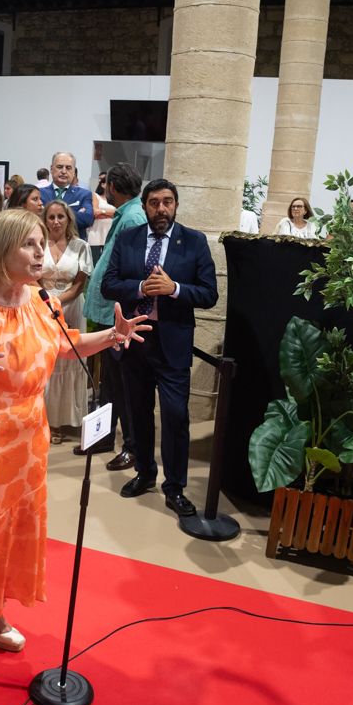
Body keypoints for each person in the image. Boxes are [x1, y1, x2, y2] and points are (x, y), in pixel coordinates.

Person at [0, 210, 149, 683]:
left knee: (10, 529)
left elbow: (64, 345)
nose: (42, 252)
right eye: (30, 244)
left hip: (28, 436)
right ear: (2, 250)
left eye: (42, 242)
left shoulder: (41, 300)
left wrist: (112, 336)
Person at [102, 178, 220, 519]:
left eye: (168, 202)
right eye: (154, 203)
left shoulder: (194, 242)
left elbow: (209, 294)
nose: (161, 209)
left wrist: (174, 288)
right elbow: (109, 284)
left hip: (173, 344)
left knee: (176, 416)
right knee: (137, 413)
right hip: (134, 341)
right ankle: (145, 473)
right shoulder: (128, 239)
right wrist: (140, 286)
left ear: (176, 205)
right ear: (145, 207)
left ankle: (175, 488)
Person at [82, 162, 146, 467]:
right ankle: (104, 436)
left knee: (122, 384)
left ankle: (131, 446)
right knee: (110, 382)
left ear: (114, 188)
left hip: (117, 312)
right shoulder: (127, 213)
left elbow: (130, 268)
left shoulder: (132, 216)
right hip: (111, 310)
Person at [40, 199, 92, 444]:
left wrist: (59, 300)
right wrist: (47, 300)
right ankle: (47, 419)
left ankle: (67, 419)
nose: (56, 221)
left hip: (71, 307)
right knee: (48, 362)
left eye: (61, 216)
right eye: (51, 217)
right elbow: (33, 277)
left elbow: (81, 282)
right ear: (45, 219)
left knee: (70, 359)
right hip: (41, 306)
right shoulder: (38, 244)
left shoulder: (80, 246)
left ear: (69, 219)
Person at [37, 150, 96, 232]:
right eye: (59, 167)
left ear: (73, 172)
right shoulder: (39, 193)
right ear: (51, 169)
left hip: (74, 243)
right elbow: (35, 219)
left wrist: (48, 215)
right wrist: (74, 213)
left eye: (68, 168)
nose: (64, 171)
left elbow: (87, 219)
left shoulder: (84, 194)